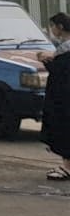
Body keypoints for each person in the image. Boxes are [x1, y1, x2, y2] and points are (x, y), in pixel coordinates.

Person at [38, 13, 70, 181]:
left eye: (53, 26)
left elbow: (59, 71)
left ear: (60, 27)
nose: (51, 30)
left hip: (64, 99)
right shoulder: (62, 48)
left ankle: (67, 167)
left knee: (64, 129)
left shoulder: (65, 51)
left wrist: (47, 61)